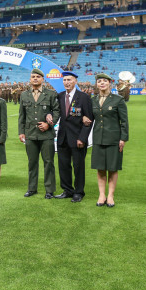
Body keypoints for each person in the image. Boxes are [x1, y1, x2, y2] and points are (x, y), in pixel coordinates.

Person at [18, 68, 59, 199]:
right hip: (30, 134)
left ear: (43, 79)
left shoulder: (51, 94)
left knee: (48, 162)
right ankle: (32, 188)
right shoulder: (24, 95)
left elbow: (57, 111)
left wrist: (49, 123)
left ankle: (49, 190)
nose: (35, 78)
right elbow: (21, 116)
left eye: (38, 76)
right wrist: (21, 132)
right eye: (33, 77)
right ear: (30, 80)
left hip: (46, 134)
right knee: (32, 162)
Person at [54, 72, 93, 203]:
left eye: (69, 80)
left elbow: (89, 120)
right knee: (63, 166)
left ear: (75, 81)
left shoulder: (84, 97)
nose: (66, 82)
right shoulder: (59, 96)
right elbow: (55, 113)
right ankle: (67, 190)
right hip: (62, 138)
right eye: (64, 80)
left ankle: (78, 192)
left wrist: (82, 138)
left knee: (78, 167)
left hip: (77, 139)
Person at [91, 73, 129, 208]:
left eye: (104, 81)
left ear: (109, 84)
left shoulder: (118, 100)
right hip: (98, 138)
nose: (102, 83)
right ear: (96, 84)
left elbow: (124, 121)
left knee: (112, 168)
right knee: (100, 168)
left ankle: (111, 195)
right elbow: (90, 118)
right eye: (99, 81)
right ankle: (102, 195)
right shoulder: (93, 100)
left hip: (114, 139)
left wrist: (123, 138)